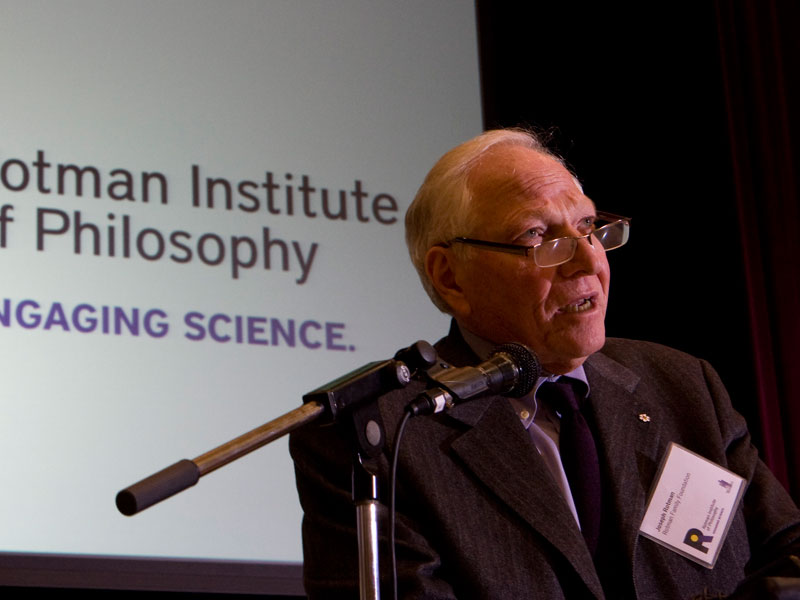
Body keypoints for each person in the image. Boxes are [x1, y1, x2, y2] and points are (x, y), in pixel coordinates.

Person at [289, 129, 800, 598]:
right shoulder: (378, 432)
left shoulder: (684, 387)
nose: (588, 260)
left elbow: (787, 557)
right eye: (538, 236)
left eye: (588, 227)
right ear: (450, 278)